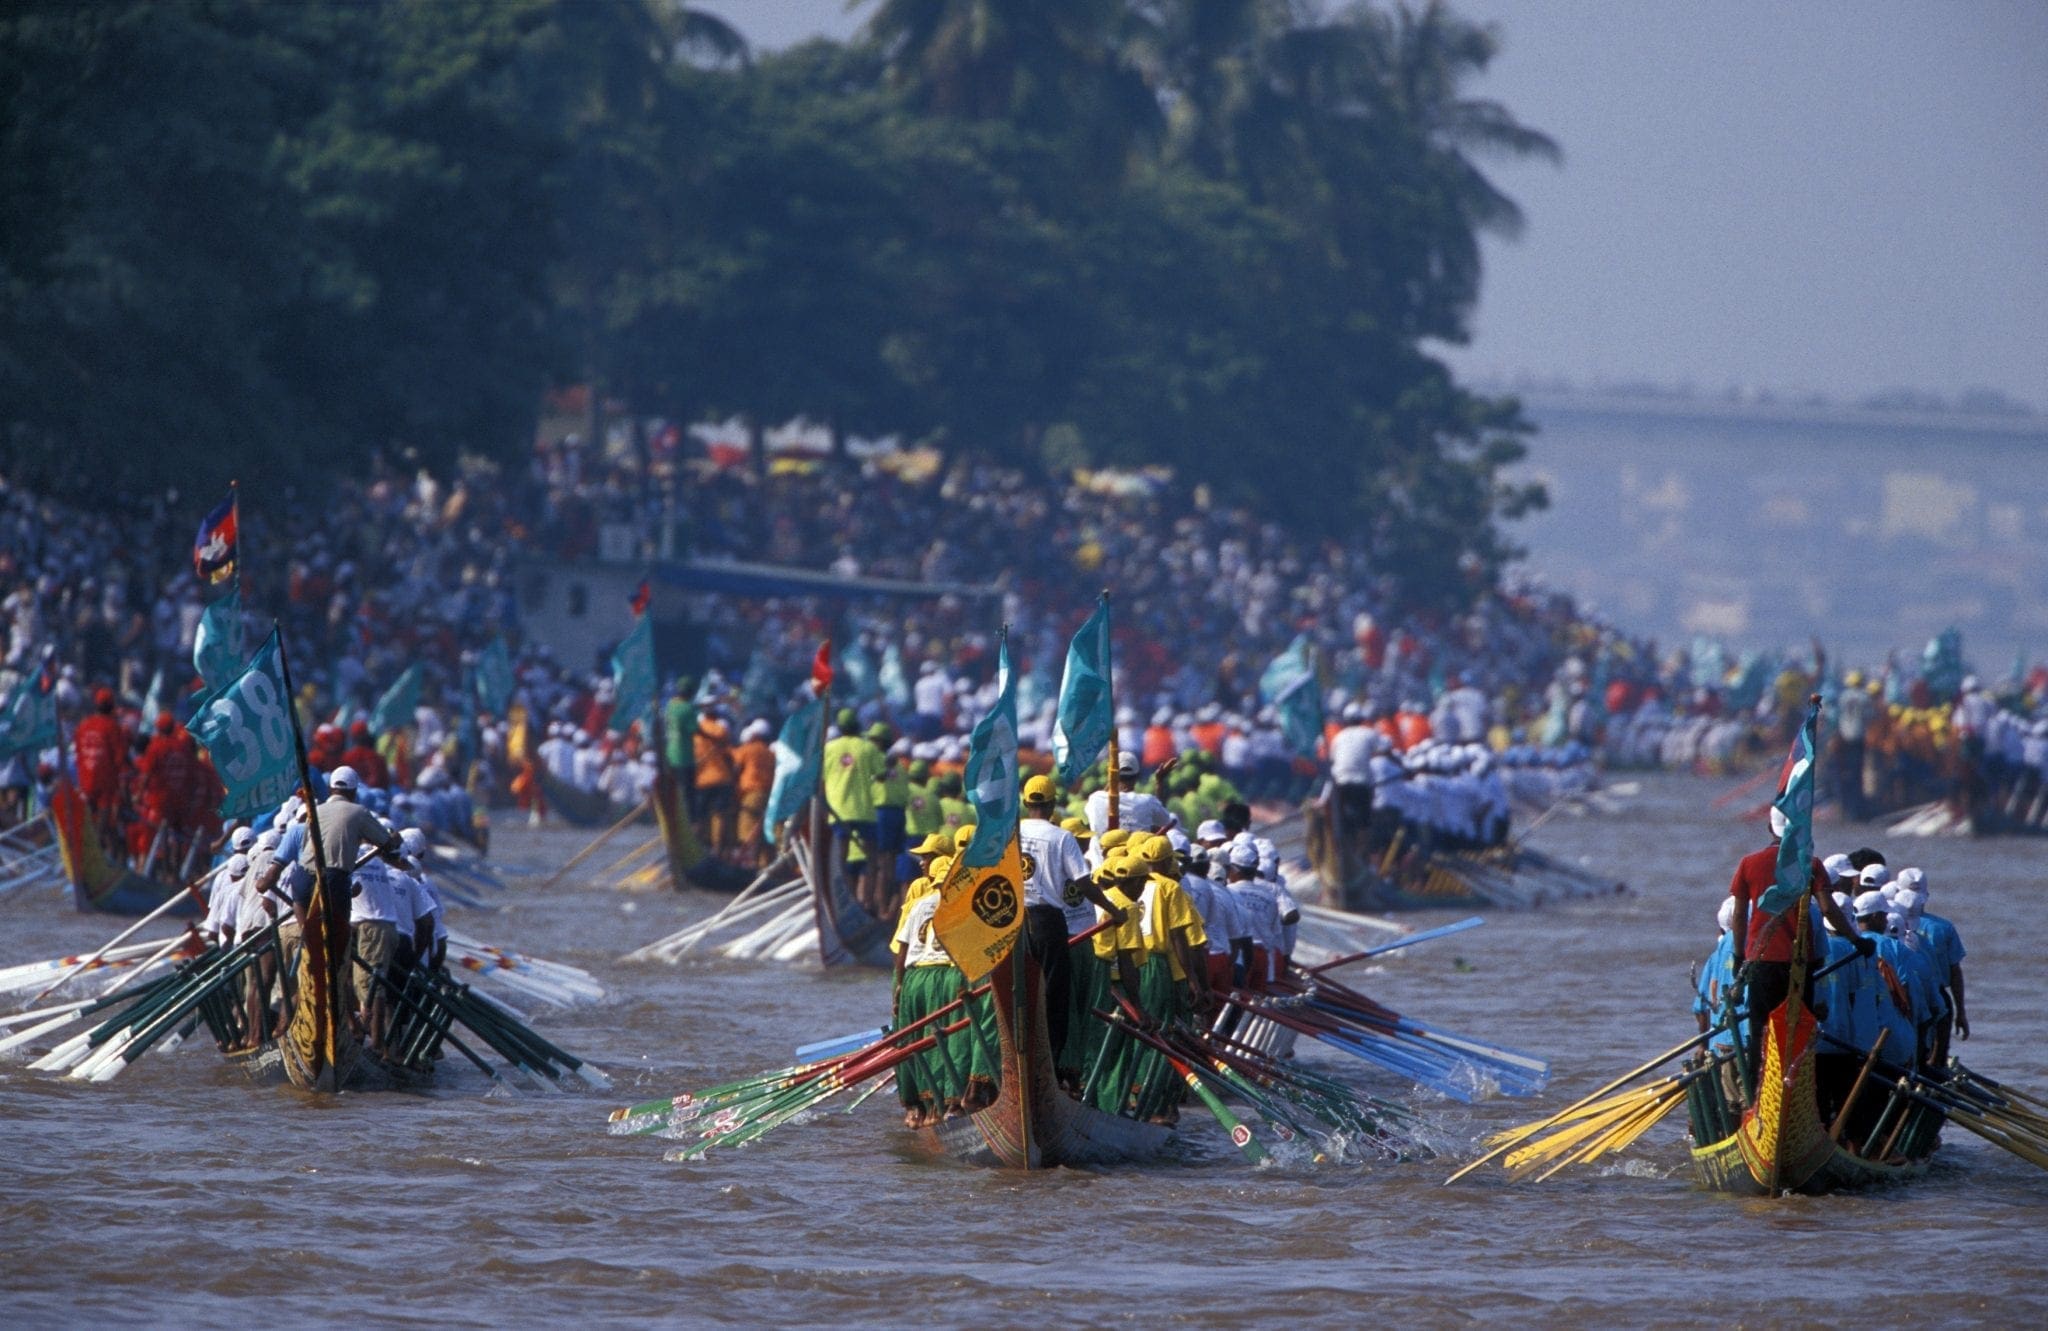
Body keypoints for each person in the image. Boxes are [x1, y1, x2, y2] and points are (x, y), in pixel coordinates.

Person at [1726, 806, 1869, 1098]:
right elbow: (1828, 909)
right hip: (1798, 965)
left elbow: (1740, 916)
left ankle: (1757, 1096)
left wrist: (1740, 958)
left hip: (1760, 962)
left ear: (1770, 829)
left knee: (1760, 1033)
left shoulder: (1749, 863)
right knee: (1796, 1033)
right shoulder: (1810, 864)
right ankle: (1793, 1096)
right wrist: (1857, 940)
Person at [1017, 774, 1123, 1088]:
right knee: (1054, 993)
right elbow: (1082, 882)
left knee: (1017, 989)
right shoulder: (1061, 837)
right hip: (1048, 921)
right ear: (1051, 805)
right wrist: (1113, 910)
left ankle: (1014, 1064)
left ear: (1026, 803)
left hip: (1012, 922)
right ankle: (1047, 1066)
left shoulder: (1012, 832)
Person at [822, 708, 886, 909]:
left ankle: (846, 898)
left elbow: (820, 778)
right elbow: (882, 775)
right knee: (871, 856)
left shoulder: (829, 749)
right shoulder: (868, 748)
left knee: (841, 858)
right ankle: (866, 901)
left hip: (838, 811)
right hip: (863, 810)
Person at [692, 709, 737, 855]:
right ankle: (717, 850)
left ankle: (699, 847)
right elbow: (728, 754)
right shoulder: (721, 729)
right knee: (720, 814)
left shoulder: (694, 734)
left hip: (702, 781)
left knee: (701, 816)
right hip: (721, 778)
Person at [731, 720, 776, 867]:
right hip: (768, 795)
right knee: (762, 830)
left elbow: (736, 767)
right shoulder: (770, 752)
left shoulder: (747, 749)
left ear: (755, 734)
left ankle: (749, 865)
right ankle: (764, 863)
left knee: (747, 832)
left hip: (751, 795)